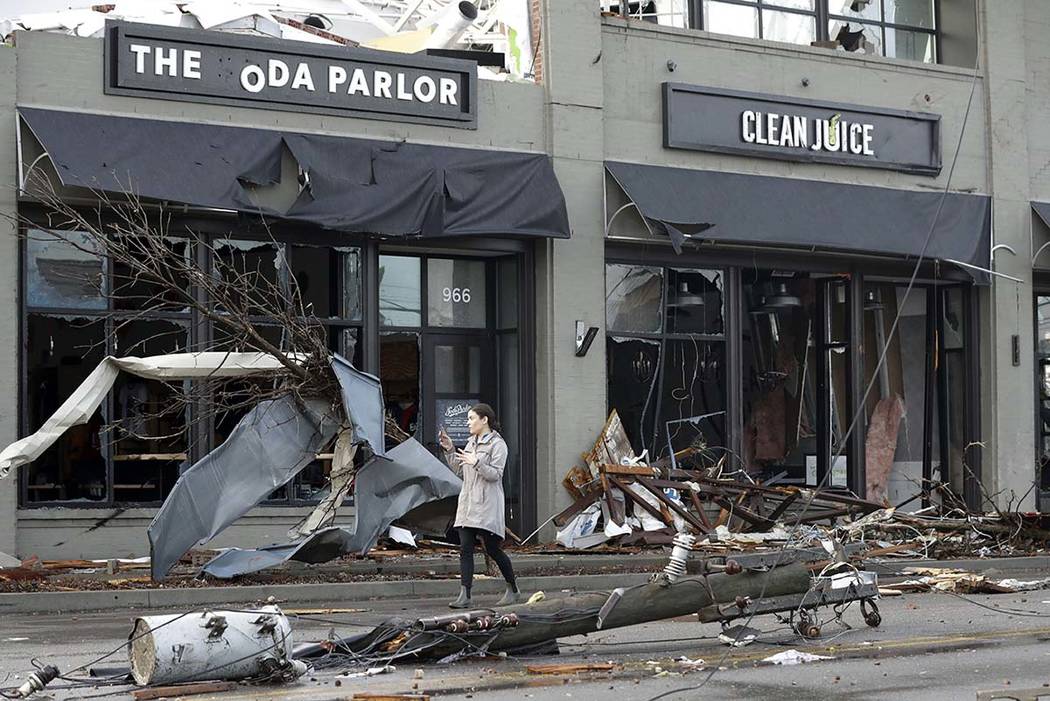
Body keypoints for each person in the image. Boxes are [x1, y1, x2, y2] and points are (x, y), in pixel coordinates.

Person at [439, 403, 522, 609]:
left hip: (487, 505)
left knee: (493, 550)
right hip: (468, 504)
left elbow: (495, 474)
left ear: (484, 420)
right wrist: (450, 449)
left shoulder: (498, 445)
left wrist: (477, 462)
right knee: (465, 548)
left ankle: (513, 589)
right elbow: (459, 471)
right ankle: (464, 595)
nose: (468, 423)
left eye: (471, 418)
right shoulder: (470, 443)